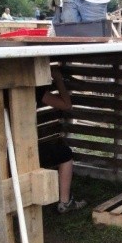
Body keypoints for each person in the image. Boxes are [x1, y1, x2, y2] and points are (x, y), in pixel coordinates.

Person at [35, 68, 87, 213]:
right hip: (23, 152)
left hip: (4, 151)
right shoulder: (34, 90)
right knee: (65, 154)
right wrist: (58, 79)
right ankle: (65, 202)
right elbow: (66, 105)